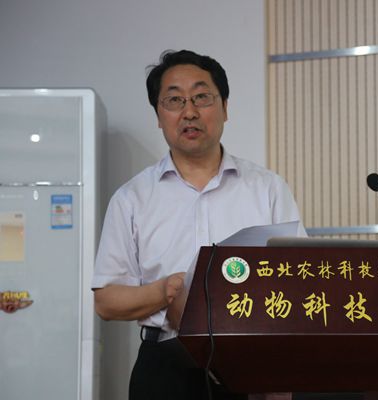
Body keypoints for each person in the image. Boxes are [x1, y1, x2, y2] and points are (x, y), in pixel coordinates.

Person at [92, 49, 305, 400]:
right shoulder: (131, 198)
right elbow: (106, 301)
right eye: (174, 100)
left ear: (225, 107)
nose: (189, 112)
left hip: (251, 363)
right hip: (166, 367)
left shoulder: (267, 188)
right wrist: (165, 291)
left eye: (202, 97)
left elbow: (298, 277)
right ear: (158, 115)